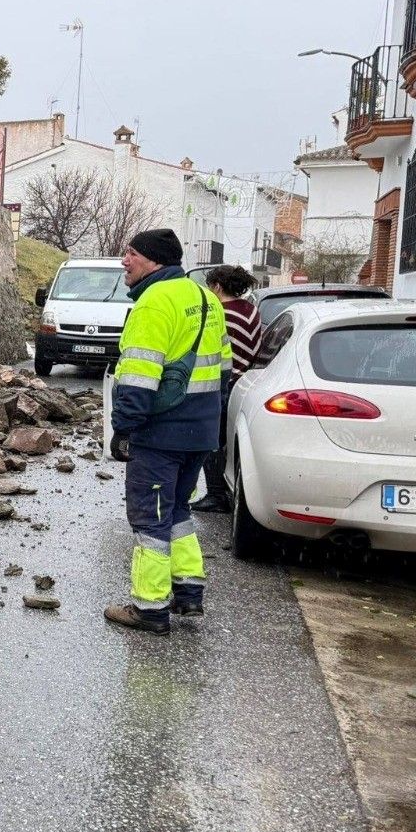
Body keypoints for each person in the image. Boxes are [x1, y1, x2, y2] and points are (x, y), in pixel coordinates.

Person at [105, 229, 230, 634]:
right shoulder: (205, 299)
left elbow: (140, 378)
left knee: (150, 520)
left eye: (130, 253)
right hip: (201, 431)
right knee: (177, 510)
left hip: (161, 435)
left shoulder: (154, 303)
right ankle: (189, 591)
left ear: (153, 261)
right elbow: (224, 371)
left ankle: (149, 608)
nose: (124, 261)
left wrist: (123, 429)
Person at [189, 265, 261, 514]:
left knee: (213, 440)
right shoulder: (250, 309)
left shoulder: (222, 313)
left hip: (228, 384)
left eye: (210, 286)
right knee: (224, 440)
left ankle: (216, 494)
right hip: (245, 380)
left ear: (217, 286)